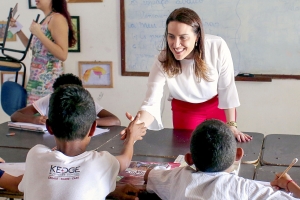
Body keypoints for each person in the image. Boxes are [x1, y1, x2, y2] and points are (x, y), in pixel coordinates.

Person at [125, 7, 251, 142]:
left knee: (221, 151)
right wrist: (138, 124)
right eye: (171, 36)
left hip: (218, 106)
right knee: (188, 151)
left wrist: (231, 124)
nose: (176, 44)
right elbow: (151, 101)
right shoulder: (163, 59)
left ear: (197, 37)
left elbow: (227, 88)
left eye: (183, 37)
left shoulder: (217, 46)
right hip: (185, 110)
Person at [18, 84, 146, 199]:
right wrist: (131, 138)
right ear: (93, 129)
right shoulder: (102, 162)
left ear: (49, 127)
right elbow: (125, 159)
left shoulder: (35, 155)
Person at [144, 119, 298, 199]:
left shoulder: (177, 177)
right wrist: (290, 185)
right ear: (239, 155)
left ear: (189, 160)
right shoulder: (246, 189)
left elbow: (149, 174)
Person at [10, 0, 76, 104]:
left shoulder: (57, 18)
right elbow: (33, 48)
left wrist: (39, 34)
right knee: (33, 118)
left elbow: (62, 55)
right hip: (35, 83)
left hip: (48, 85)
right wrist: (17, 29)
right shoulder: (45, 20)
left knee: (44, 118)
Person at [11, 73, 121, 126]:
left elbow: (115, 121)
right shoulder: (49, 99)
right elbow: (15, 115)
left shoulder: (84, 100)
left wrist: (89, 122)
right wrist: (34, 120)